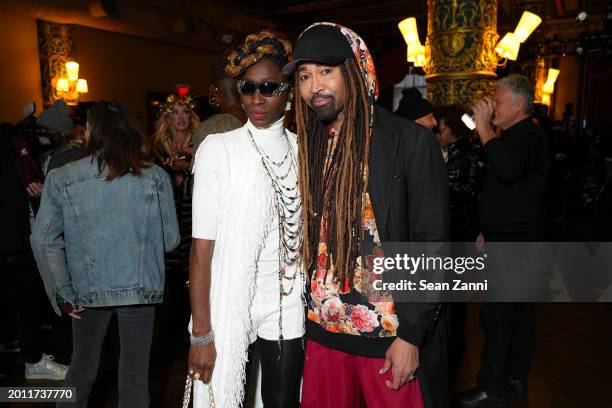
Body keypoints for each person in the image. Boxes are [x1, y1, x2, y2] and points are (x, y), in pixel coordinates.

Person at [283, 23, 449, 408]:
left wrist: (412, 335)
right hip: (323, 331)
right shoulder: (310, 147)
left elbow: (433, 244)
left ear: (356, 72)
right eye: (305, 76)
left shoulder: (408, 141)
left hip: (389, 336)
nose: (313, 87)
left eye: (326, 71)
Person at [30, 100, 180, 408]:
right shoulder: (156, 177)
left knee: (81, 370)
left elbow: (42, 240)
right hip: (140, 291)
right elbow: (170, 240)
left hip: (85, 293)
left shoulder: (63, 177)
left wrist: (63, 293)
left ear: (90, 132)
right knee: (135, 377)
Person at [188, 31, 304, 408]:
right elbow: (201, 250)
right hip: (229, 300)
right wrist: (201, 334)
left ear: (288, 90)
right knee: (225, 399)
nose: (257, 97)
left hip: (286, 300)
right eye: (248, 87)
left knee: (283, 401)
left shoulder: (302, 150)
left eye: (269, 87)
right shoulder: (218, 149)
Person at [454, 74, 550, 408]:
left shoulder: (529, 137)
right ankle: (513, 380)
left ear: (518, 104)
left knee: (497, 315)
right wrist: (489, 228)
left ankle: (490, 388)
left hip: (515, 244)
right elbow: (512, 190)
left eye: (497, 100)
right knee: (517, 313)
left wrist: (483, 127)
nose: (492, 106)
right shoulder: (517, 137)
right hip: (511, 237)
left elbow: (508, 171)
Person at [0, 123, 68, 380]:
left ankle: (33, 357)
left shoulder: (11, 140)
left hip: (15, 238)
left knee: (22, 302)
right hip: (11, 239)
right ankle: (34, 360)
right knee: (23, 302)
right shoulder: (8, 142)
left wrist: (33, 190)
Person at [151, 91, 201, 340]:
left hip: (194, 220)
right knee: (169, 281)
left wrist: (189, 164)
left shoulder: (201, 143)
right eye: (175, 112)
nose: (181, 117)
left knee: (193, 275)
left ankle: (193, 326)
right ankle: (170, 333)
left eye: (185, 112)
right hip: (165, 222)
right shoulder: (157, 150)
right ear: (167, 118)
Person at [191, 56, 246, 161]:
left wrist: (183, 167)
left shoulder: (210, 128)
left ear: (215, 90)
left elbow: (201, 175)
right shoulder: (260, 121)